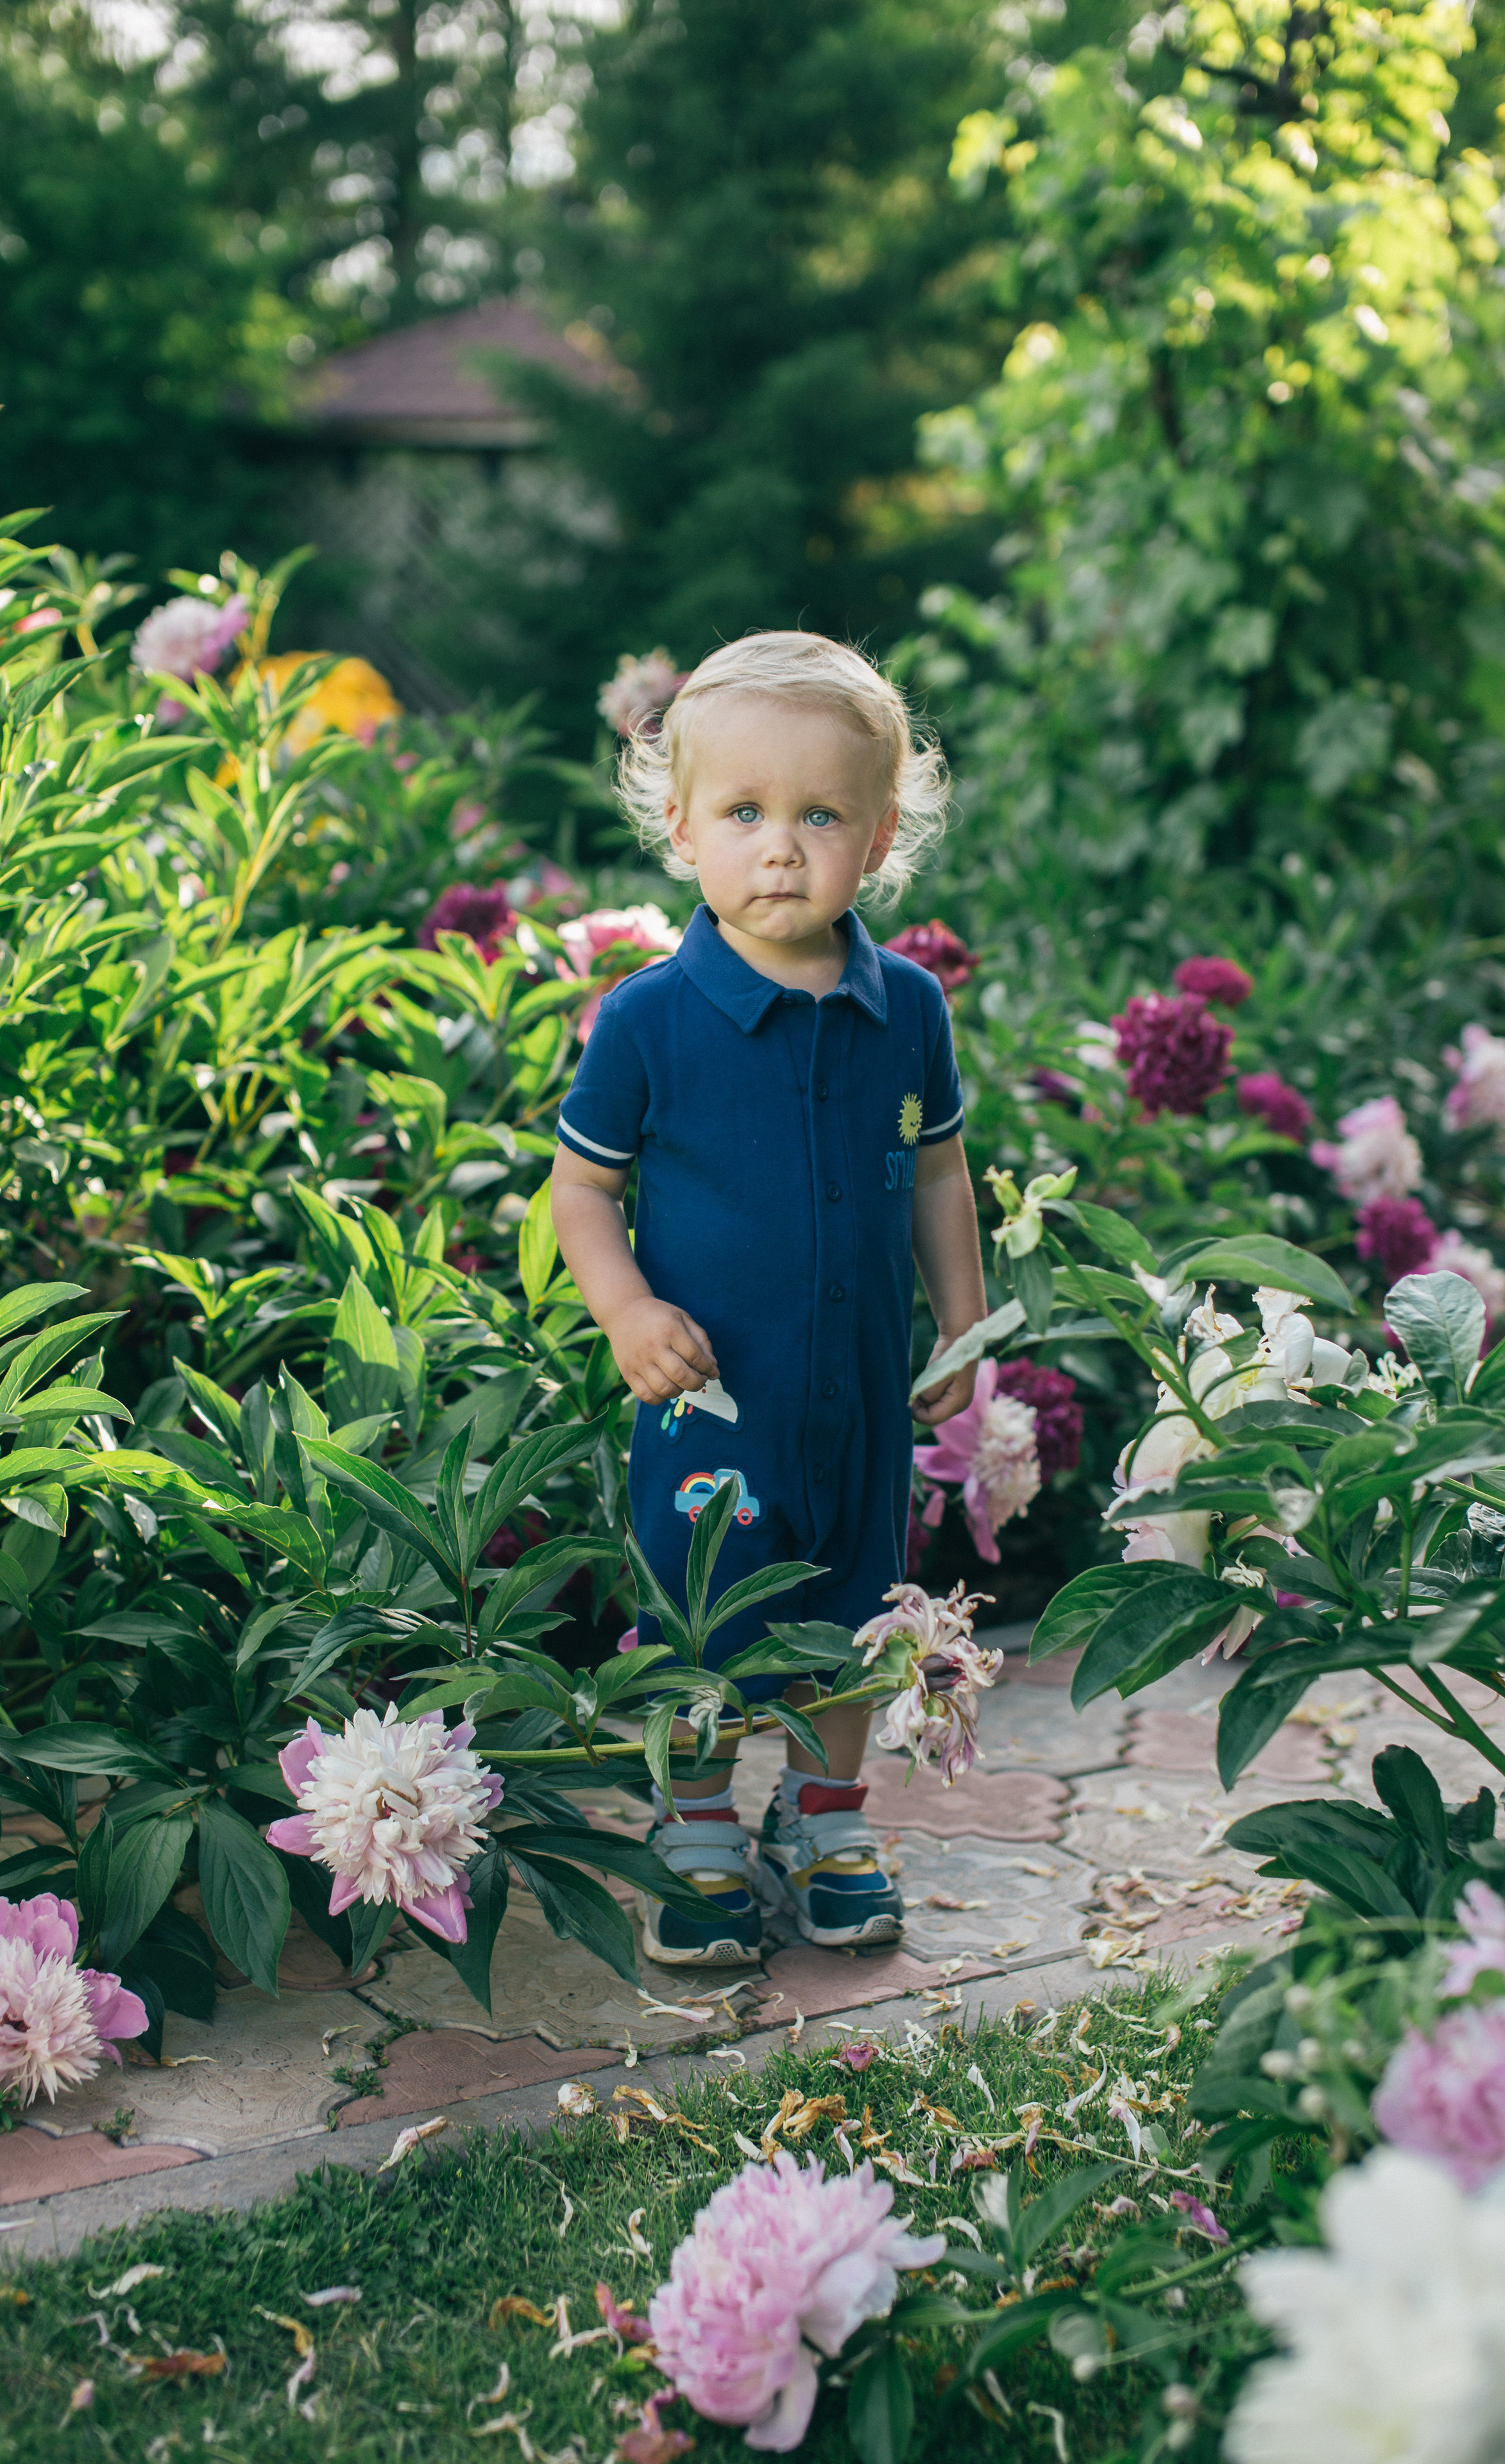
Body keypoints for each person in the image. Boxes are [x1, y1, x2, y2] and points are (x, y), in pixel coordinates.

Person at [550, 631, 985, 1965]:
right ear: (680, 828)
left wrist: (963, 1322)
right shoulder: (648, 1021)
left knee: (856, 1611)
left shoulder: (907, 1010)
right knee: (701, 1619)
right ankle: (695, 1827)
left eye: (820, 816)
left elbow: (938, 1171)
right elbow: (582, 1192)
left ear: (881, 835)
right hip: (711, 1409)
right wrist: (627, 1312)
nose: (781, 849)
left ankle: (824, 1818)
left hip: (860, 1400)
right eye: (743, 813)